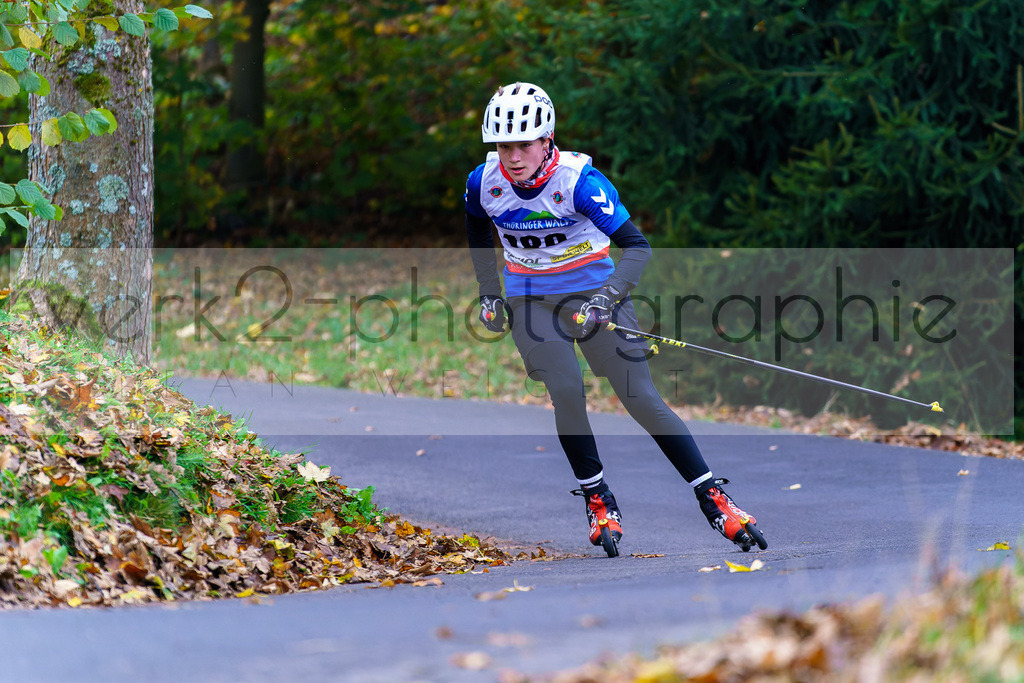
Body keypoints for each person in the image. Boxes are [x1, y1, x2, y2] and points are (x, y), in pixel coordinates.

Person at [464, 82, 766, 556]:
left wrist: (606, 299)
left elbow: (637, 247)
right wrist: (489, 293)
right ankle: (598, 499)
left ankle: (713, 497)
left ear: (547, 140)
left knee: (640, 395)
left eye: (524, 144)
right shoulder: (484, 183)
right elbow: (479, 233)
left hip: (595, 292)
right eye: (504, 145)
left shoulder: (579, 182)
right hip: (530, 298)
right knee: (565, 388)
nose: (514, 156)